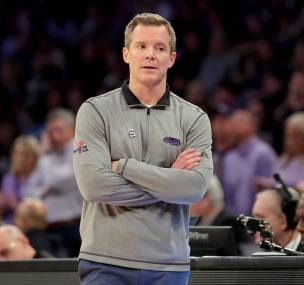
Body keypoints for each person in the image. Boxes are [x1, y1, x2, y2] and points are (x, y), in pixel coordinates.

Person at [72, 13, 213, 285]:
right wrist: (168, 181)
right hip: (106, 261)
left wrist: (124, 167)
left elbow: (193, 188)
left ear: (171, 58)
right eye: (142, 47)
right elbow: (93, 186)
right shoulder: (96, 111)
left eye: (160, 48)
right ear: (126, 54)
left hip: (168, 265)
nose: (151, 55)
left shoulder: (194, 118)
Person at [23, 108, 82, 257]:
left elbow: (58, 181)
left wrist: (44, 188)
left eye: (59, 130)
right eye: (50, 132)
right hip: (50, 227)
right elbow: (27, 193)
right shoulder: (46, 157)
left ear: (73, 129)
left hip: (76, 226)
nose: (54, 136)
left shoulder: (81, 150)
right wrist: (43, 154)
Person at [221, 109, 278, 215]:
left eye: (240, 120)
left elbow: (274, 185)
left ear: (253, 126)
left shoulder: (263, 153)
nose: (235, 124)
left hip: (259, 217)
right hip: (234, 219)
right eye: (233, 121)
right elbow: (227, 195)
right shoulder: (229, 158)